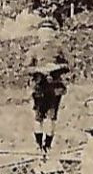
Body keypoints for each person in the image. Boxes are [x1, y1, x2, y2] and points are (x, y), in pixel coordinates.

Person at [23, 17, 71, 158]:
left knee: (51, 117)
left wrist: (57, 67)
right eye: (44, 33)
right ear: (39, 35)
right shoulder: (34, 50)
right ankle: (38, 146)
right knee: (38, 117)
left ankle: (47, 146)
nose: (47, 36)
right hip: (39, 88)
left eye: (49, 33)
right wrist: (39, 70)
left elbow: (68, 65)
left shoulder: (59, 49)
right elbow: (27, 69)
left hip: (55, 88)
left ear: (54, 34)